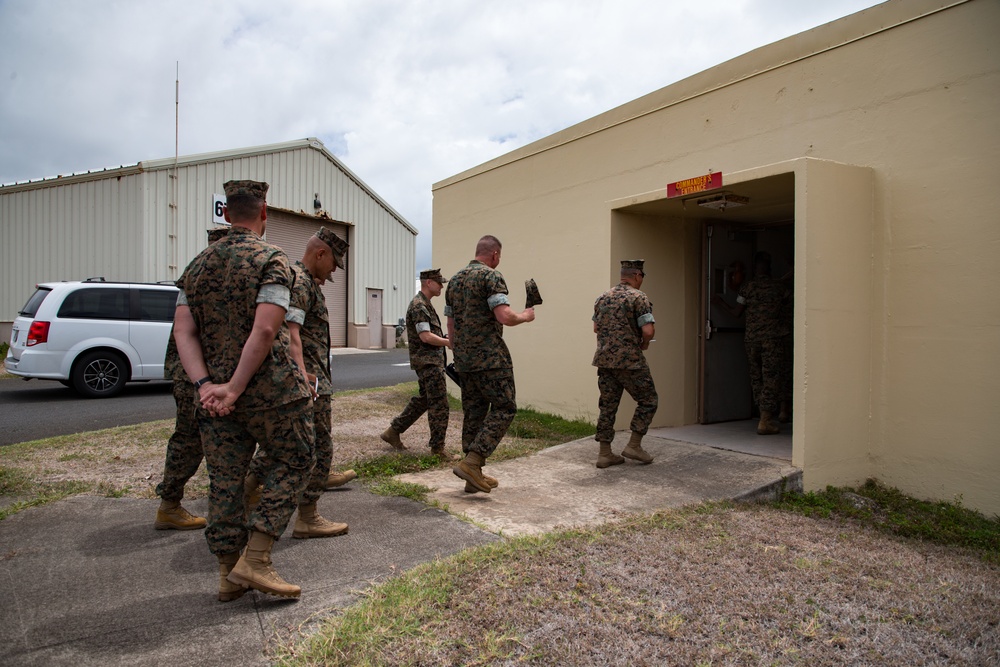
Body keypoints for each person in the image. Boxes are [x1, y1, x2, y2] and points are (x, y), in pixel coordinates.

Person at [173, 179, 314, 601]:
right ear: (264, 213)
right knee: (296, 458)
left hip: (213, 397)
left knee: (226, 481)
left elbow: (184, 332)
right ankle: (255, 559)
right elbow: (268, 328)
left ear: (227, 213)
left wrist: (205, 386)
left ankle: (225, 573)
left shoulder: (196, 266)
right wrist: (235, 387)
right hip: (269, 393)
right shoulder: (272, 259)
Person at [243, 227, 352, 539]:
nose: (334, 270)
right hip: (310, 381)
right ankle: (307, 517)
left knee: (286, 445)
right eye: (333, 262)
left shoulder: (301, 280)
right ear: (320, 253)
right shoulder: (301, 280)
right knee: (317, 447)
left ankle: (246, 493)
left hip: (310, 378)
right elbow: (291, 334)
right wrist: (304, 379)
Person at [152, 227, 229, 531]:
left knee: (208, 439)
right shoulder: (205, 276)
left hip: (201, 375)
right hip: (194, 378)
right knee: (191, 440)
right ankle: (169, 505)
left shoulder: (198, 272)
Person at [445, 235, 534, 493]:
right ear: (494, 254)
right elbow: (504, 316)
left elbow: (450, 326)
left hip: (464, 360)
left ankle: (472, 472)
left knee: (474, 412)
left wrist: (458, 351)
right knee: (505, 407)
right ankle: (473, 462)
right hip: (491, 359)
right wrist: (525, 316)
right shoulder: (491, 277)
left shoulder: (455, 281)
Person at [713, 251, 792, 435]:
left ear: (755, 268)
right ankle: (766, 419)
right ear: (769, 268)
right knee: (771, 378)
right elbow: (791, 305)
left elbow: (736, 312)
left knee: (757, 377)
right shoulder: (778, 287)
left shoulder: (747, 288)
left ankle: (763, 414)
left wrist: (720, 302)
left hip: (752, 340)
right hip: (772, 340)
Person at [381, 268, 456, 459]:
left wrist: (443, 338)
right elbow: (425, 336)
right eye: (439, 282)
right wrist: (448, 342)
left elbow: (431, 335)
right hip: (428, 363)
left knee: (425, 400)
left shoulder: (425, 304)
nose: (441, 286)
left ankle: (393, 432)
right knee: (439, 404)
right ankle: (438, 449)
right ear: (429, 283)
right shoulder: (419, 306)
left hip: (429, 361)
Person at [592, 259, 658, 467]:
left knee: (608, 406)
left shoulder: (602, 297)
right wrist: (644, 342)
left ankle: (604, 453)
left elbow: (595, 328)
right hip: (630, 361)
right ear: (638, 276)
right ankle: (634, 445)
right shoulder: (639, 298)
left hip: (605, 360)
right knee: (648, 400)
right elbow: (648, 331)